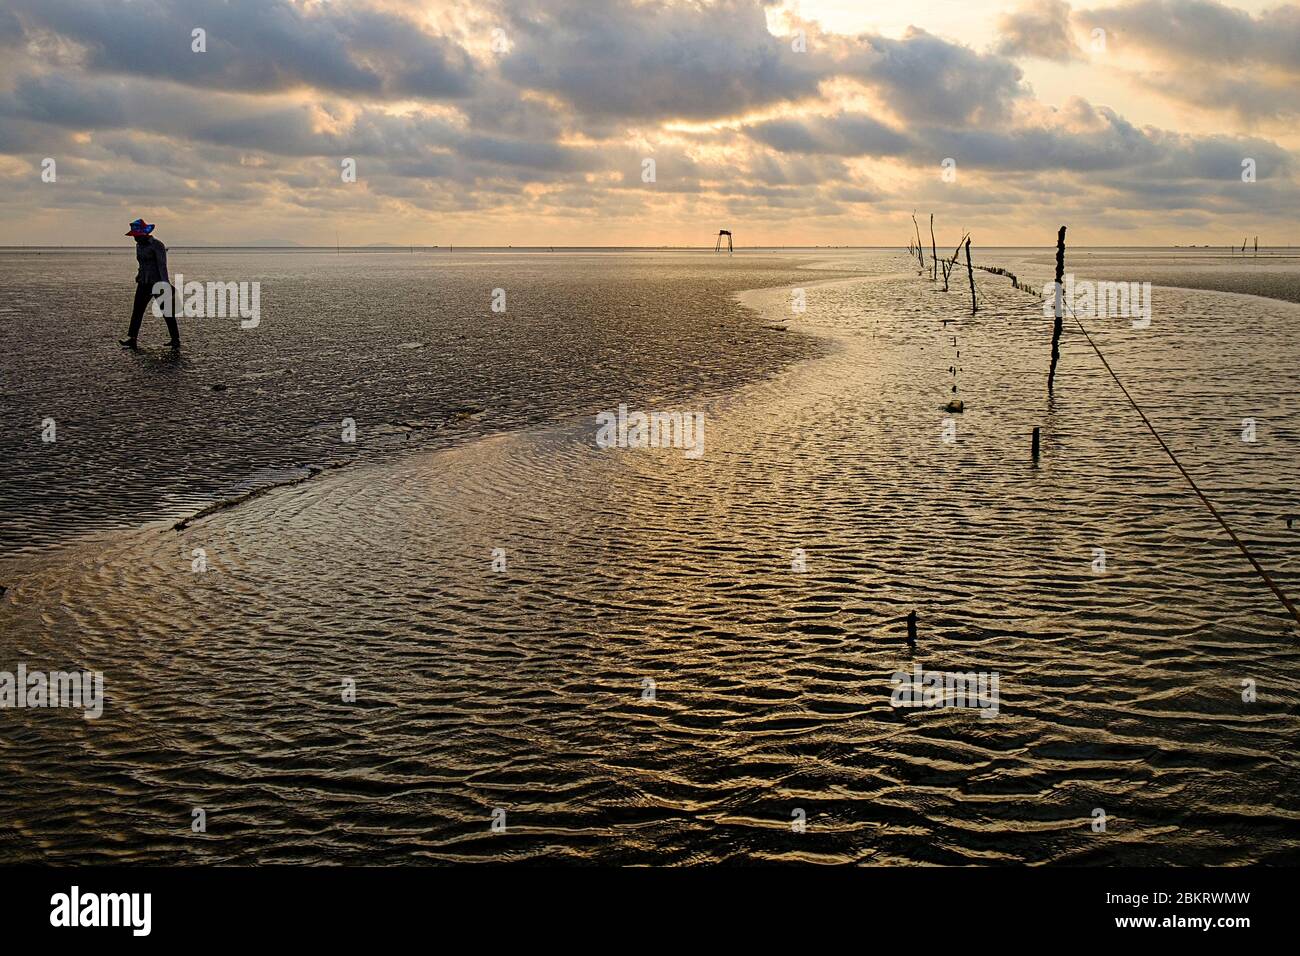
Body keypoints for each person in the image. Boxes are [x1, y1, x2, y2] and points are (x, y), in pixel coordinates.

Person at [120, 218, 180, 349]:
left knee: (167, 311)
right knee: (137, 310)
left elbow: (162, 266)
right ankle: (132, 338)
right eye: (134, 236)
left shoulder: (157, 245)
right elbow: (141, 264)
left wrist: (166, 284)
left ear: (143, 234)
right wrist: (139, 275)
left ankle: (175, 339)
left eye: (136, 236)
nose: (135, 239)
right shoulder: (139, 246)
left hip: (158, 282)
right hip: (143, 282)